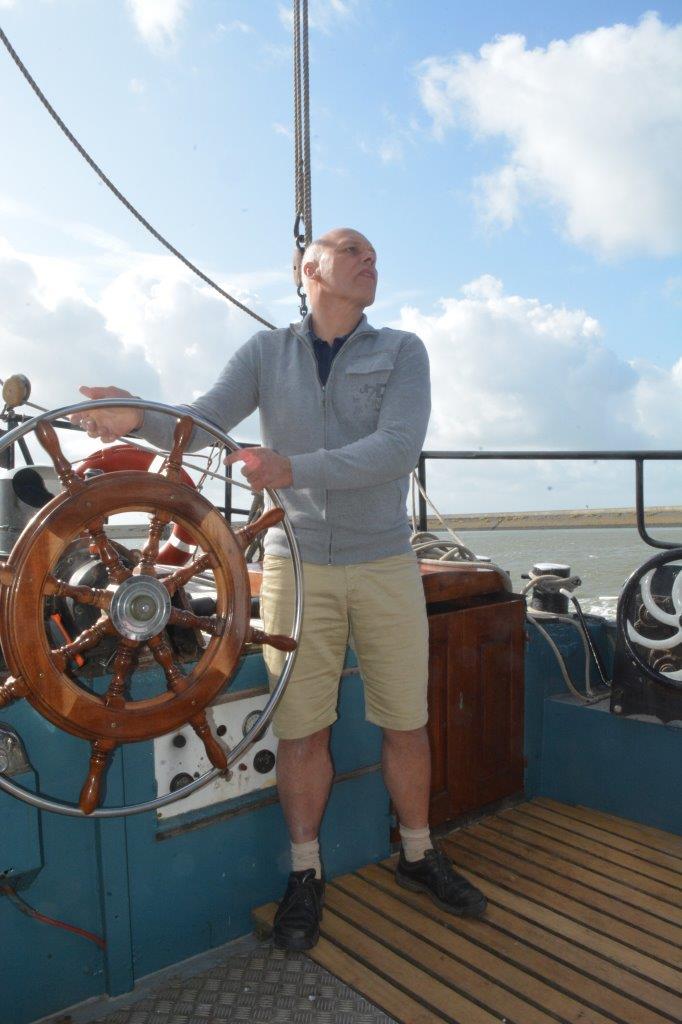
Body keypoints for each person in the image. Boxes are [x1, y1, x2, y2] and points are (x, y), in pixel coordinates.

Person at [73, 227, 487, 950]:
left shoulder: (403, 350)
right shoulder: (266, 354)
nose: (370, 259)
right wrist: (135, 414)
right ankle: (305, 872)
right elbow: (204, 420)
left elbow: (397, 449)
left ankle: (419, 854)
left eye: (374, 254)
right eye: (353, 250)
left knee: (406, 721)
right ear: (309, 269)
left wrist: (292, 469)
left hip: (385, 562)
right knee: (301, 730)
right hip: (296, 565)